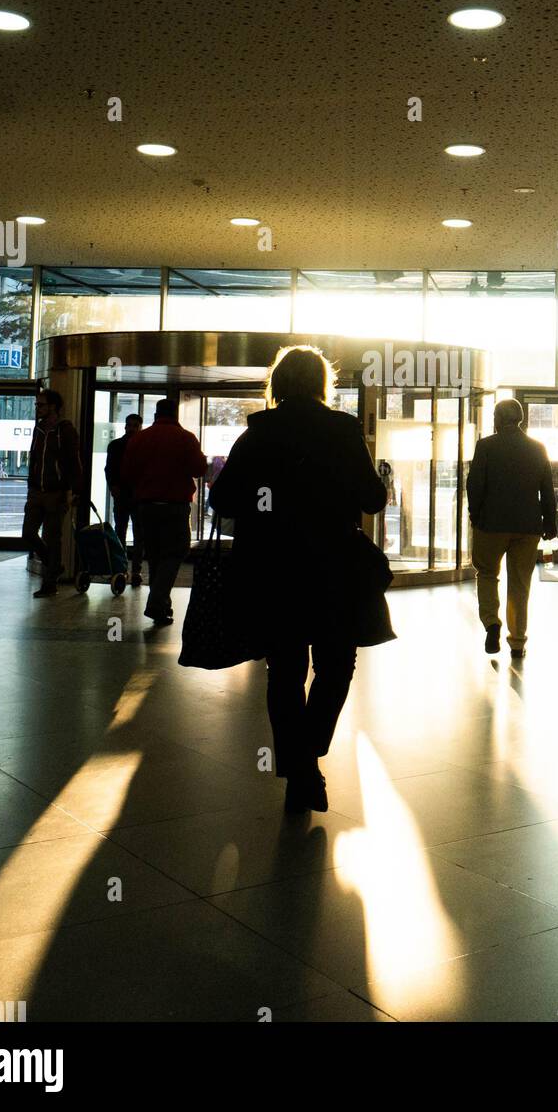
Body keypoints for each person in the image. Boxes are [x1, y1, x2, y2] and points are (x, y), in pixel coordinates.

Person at [208, 345, 390, 815]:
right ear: (322, 384)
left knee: (284, 672)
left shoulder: (257, 434)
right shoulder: (344, 431)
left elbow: (223, 501)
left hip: (272, 569)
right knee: (336, 665)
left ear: (279, 384)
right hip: (333, 568)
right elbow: (371, 499)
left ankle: (301, 767)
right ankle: (308, 756)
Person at [467, 398, 557, 658]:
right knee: (519, 583)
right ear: (520, 419)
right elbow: (547, 490)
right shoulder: (537, 447)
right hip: (528, 526)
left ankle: (492, 623)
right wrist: (549, 523)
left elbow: (474, 484)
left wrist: (476, 514)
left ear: (496, 418)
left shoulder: (485, 446)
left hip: (491, 524)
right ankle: (517, 642)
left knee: (486, 573)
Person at [122, 399, 207, 627]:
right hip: (175, 506)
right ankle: (156, 602)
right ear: (175, 414)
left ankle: (162, 608)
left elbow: (127, 473)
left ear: (156, 414)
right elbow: (199, 469)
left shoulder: (140, 438)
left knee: (156, 556)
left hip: (146, 506)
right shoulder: (186, 438)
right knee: (174, 553)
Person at [22, 389, 83, 598]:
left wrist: (73, 490)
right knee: (28, 532)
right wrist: (31, 483)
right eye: (37, 404)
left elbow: (74, 462)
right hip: (36, 490)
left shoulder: (65, 430)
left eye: (41, 405)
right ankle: (54, 565)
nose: (37, 408)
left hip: (56, 492)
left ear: (54, 407)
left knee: (52, 537)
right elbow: (35, 458)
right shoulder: (39, 429)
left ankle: (50, 583)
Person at [105, 412, 144, 587]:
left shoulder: (116, 446)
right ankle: (134, 570)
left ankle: (122, 568)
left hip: (124, 494)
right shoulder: (143, 446)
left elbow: (110, 469)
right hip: (134, 494)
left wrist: (113, 487)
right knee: (137, 534)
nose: (132, 428)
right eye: (130, 425)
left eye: (135, 425)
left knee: (122, 531)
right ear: (126, 426)